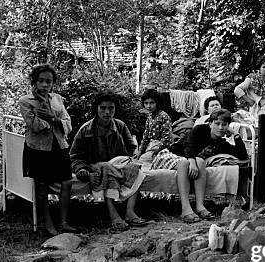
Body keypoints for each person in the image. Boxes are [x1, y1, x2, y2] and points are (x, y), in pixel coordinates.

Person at [70, 92, 147, 231]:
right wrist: (81, 168)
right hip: (96, 165)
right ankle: (114, 215)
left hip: (118, 163)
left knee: (135, 168)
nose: (107, 112)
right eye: (103, 108)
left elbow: (132, 148)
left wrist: (127, 160)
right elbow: (74, 156)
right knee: (106, 168)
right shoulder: (86, 129)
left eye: (111, 108)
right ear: (96, 109)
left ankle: (130, 212)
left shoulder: (120, 126)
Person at [19, 64, 75, 236]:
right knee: (42, 186)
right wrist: (48, 118)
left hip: (59, 145)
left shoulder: (57, 99)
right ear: (34, 82)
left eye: (48, 82)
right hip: (38, 148)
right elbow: (35, 126)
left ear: (53, 84)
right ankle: (48, 223)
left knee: (66, 182)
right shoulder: (25, 101)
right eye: (41, 81)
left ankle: (63, 221)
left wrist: (51, 117)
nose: (45, 85)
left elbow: (68, 123)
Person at [134, 89, 173, 163]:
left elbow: (167, 137)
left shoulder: (164, 116)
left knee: (143, 161)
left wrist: (158, 150)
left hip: (161, 147)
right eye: (146, 103)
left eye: (152, 103)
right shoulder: (149, 117)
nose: (149, 106)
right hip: (150, 146)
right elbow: (145, 137)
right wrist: (140, 151)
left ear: (157, 103)